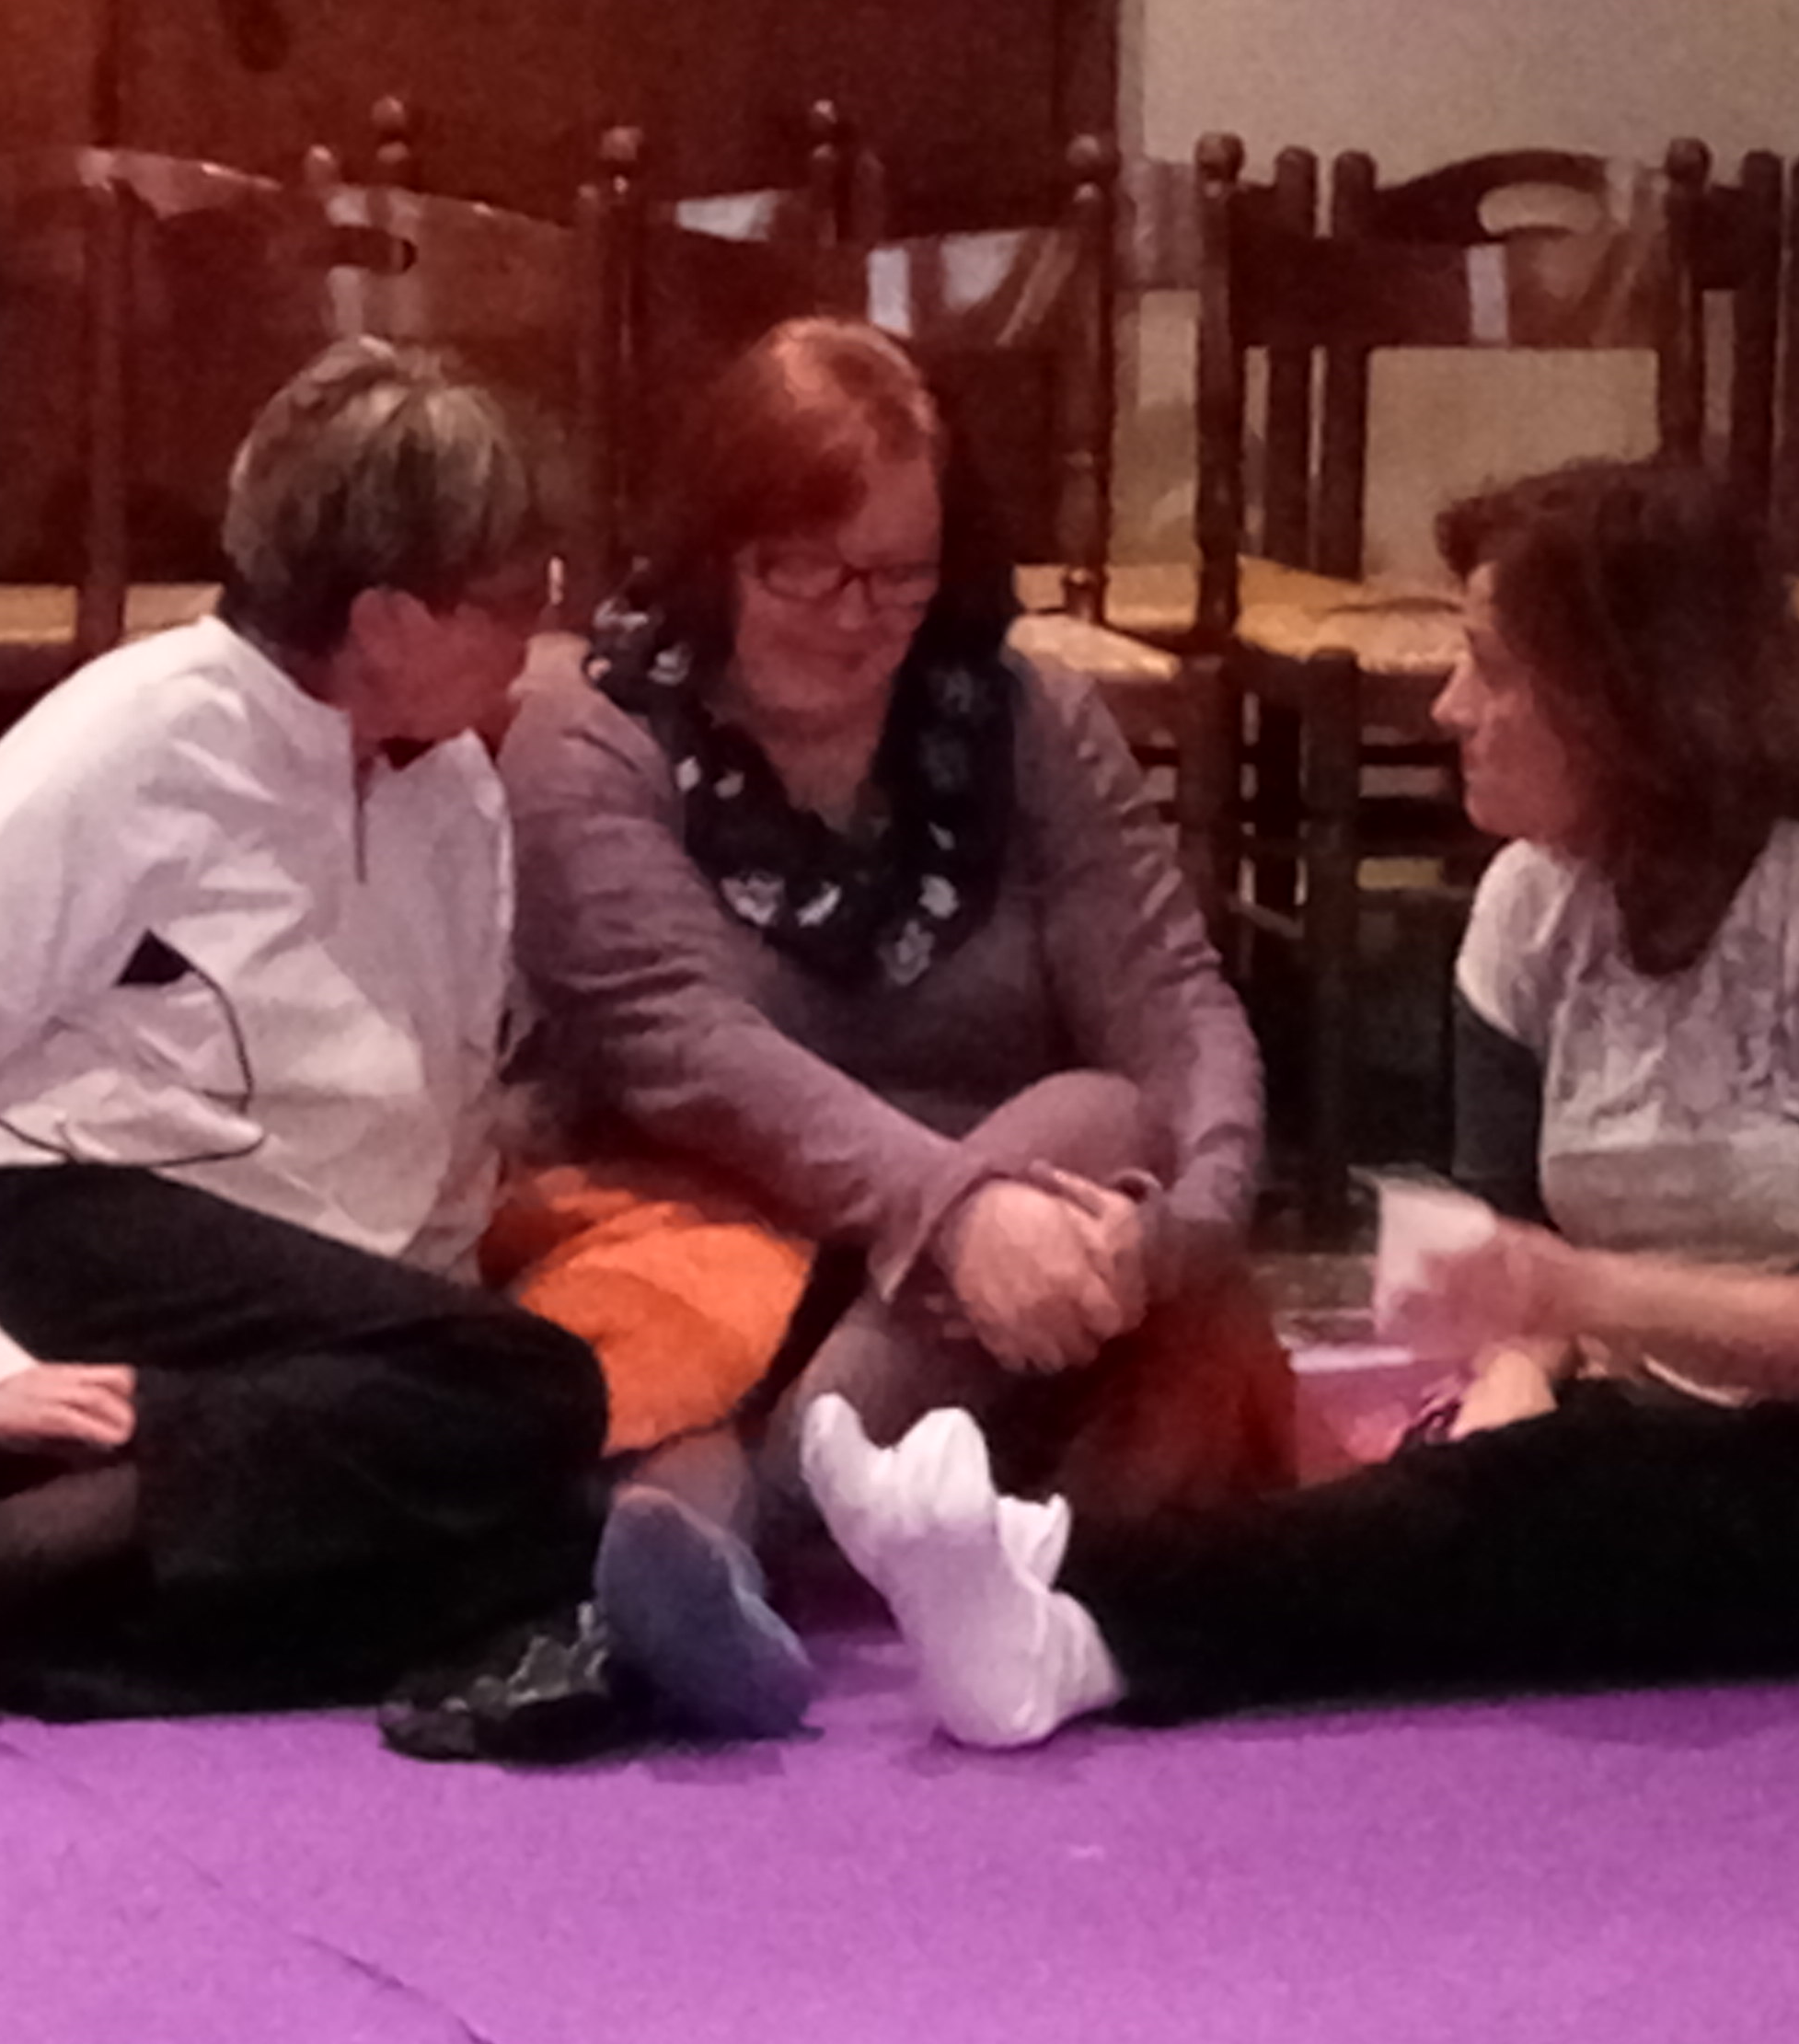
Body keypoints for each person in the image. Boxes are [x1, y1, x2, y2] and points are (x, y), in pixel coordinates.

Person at [799, 456, 1799, 1748]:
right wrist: (1502, 1407)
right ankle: (1061, 1621)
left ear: (1633, 699)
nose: (1450, 707)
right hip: (1700, 1423)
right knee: (1511, 1504)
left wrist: (1571, 1300)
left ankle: (1064, 1595)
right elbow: (1513, 1267)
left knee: (1587, 1500)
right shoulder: (1526, 905)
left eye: (1494, 669)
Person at [0, 337, 609, 1744]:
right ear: (387, 620)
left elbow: (442, 1130)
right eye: (517, 598)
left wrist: (401, 1386)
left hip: (233, 1393)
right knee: (531, 1393)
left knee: (542, 1510)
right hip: (25, 1287)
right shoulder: (138, 739)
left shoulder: (454, 792)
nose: (541, 632)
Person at [496, 317, 1283, 1691]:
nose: (854, 615)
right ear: (717, 549)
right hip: (702, 1205)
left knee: (1103, 1121)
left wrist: (1182, 1226)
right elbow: (685, 1048)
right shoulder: (591, 730)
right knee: (677, 1330)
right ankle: (746, 1541)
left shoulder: (1033, 722)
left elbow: (1172, 997)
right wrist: (954, 1211)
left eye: (901, 577)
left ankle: (792, 1505)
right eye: (805, 568)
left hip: (1009, 1276)